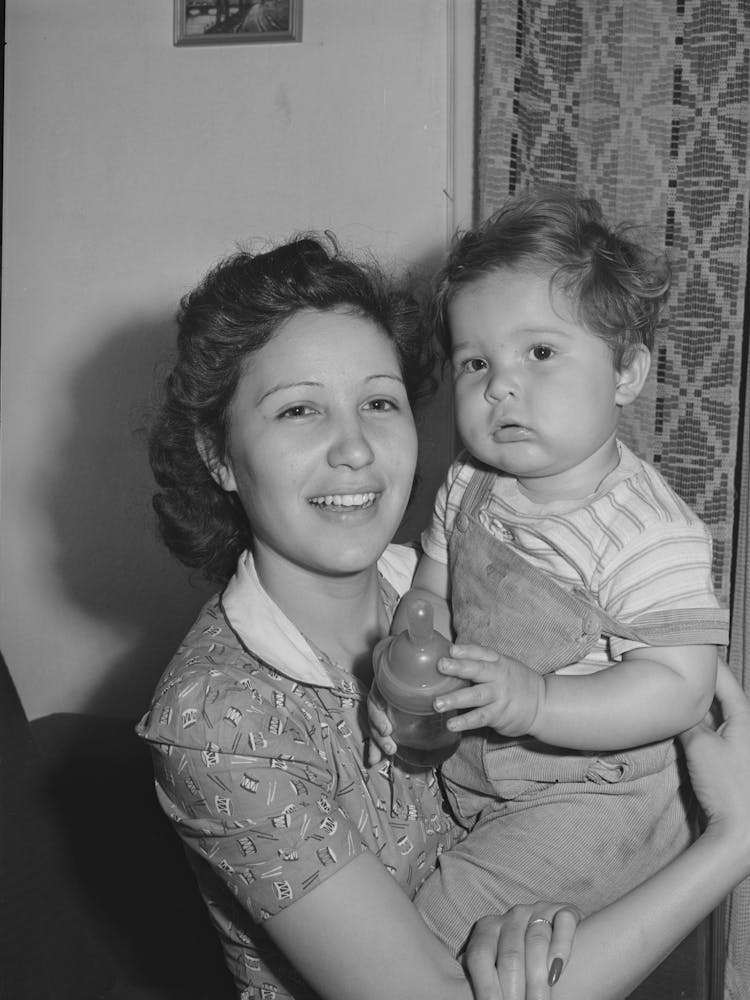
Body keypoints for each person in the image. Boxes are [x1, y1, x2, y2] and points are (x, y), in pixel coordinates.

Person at [137, 232, 750, 1000]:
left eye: (379, 402)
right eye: (298, 410)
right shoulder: (219, 721)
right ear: (219, 455)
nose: (355, 448)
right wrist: (734, 843)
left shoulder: (472, 577)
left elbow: (664, 694)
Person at [368, 187, 730, 956]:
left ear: (626, 373)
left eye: (539, 353)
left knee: (422, 939)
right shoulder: (469, 480)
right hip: (474, 765)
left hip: (596, 800)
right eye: (475, 362)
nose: (500, 385)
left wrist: (536, 700)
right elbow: (431, 590)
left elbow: (679, 687)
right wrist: (407, 672)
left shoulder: (647, 531)